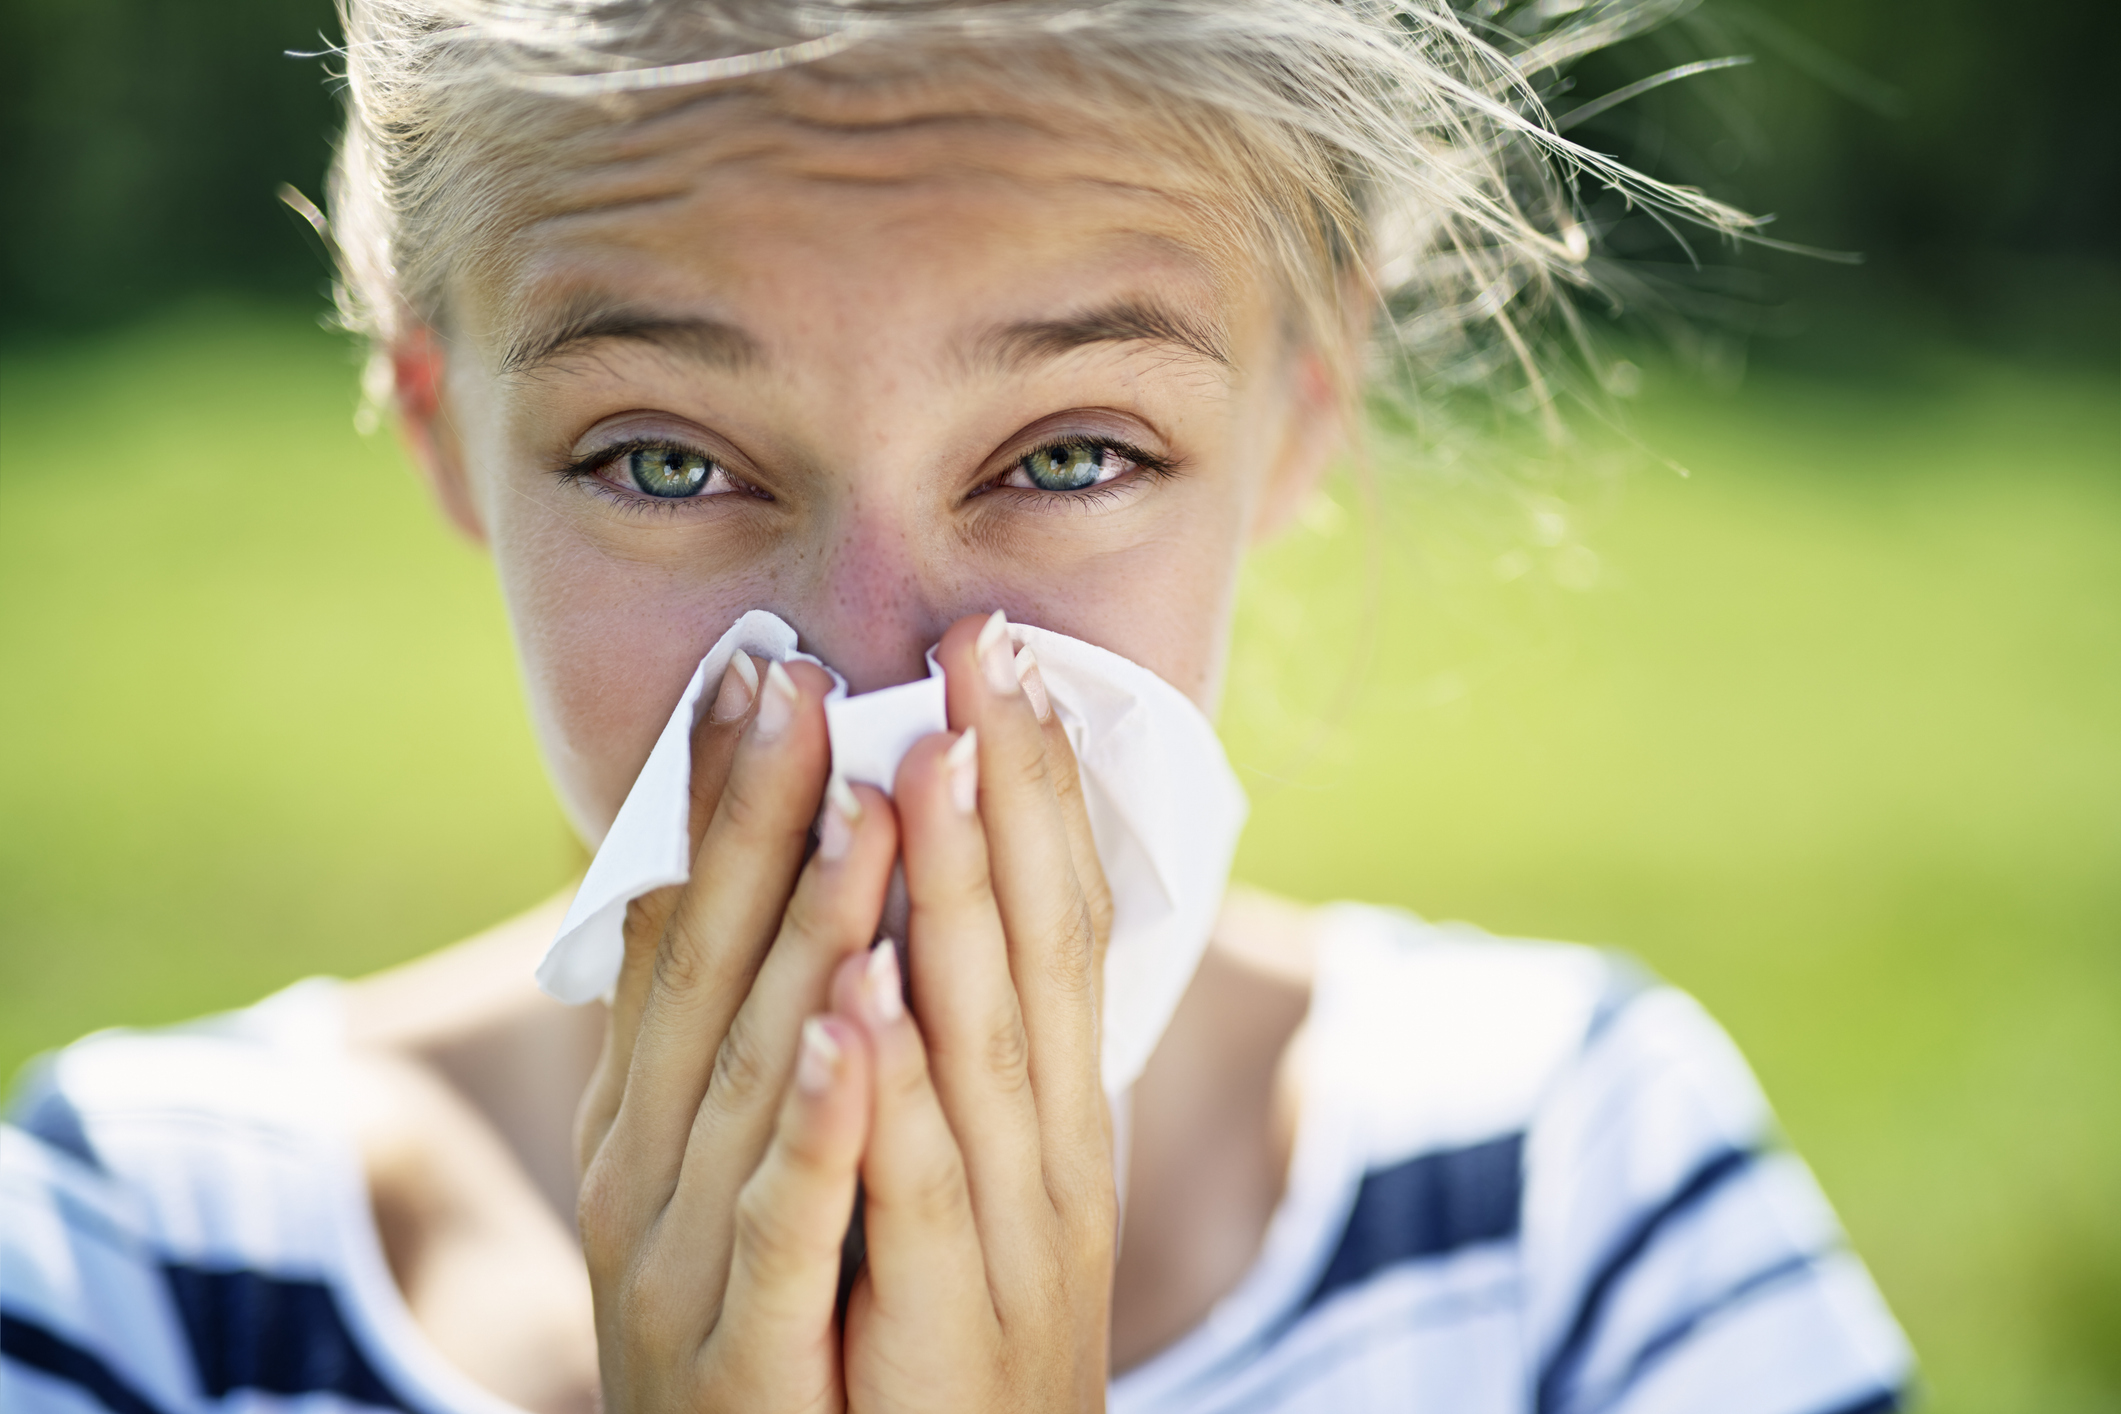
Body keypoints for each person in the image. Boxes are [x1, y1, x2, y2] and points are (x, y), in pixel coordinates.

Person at [0, 3, 1914, 1411]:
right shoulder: (132, 1271)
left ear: (1295, 416)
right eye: (664, 462)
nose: (872, 681)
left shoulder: (1580, 1208)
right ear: (443, 429)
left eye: (1071, 452)